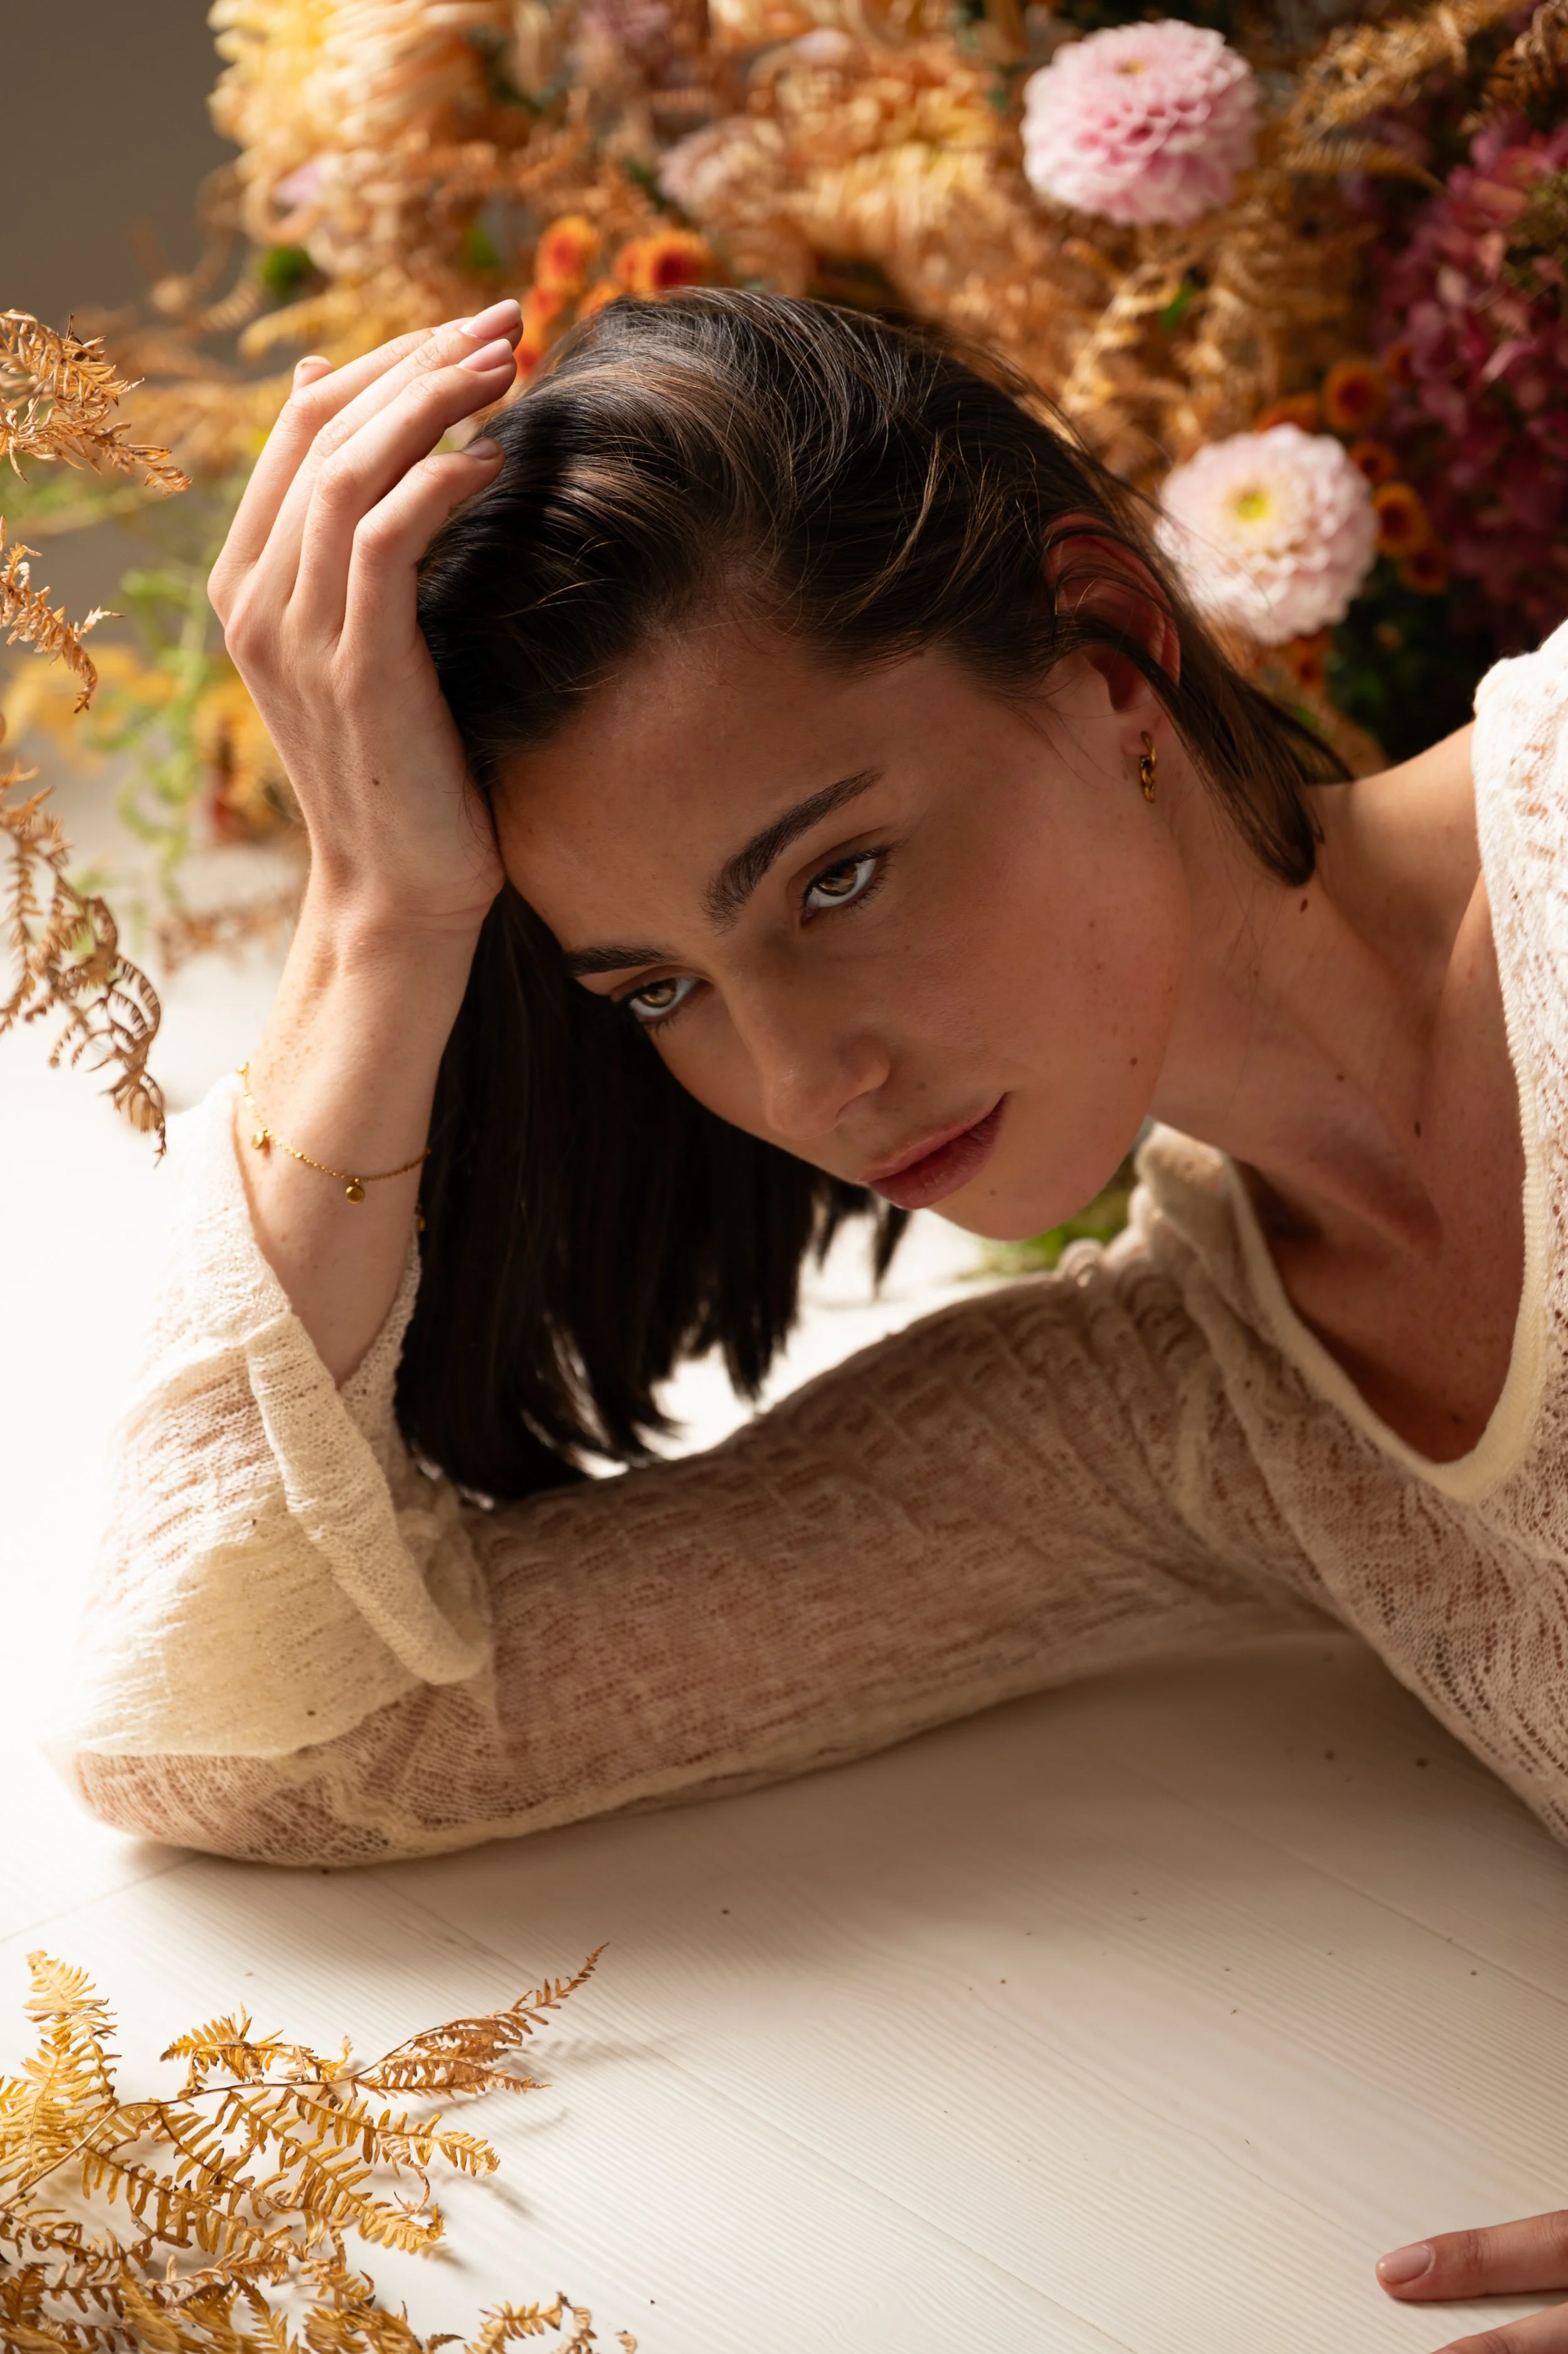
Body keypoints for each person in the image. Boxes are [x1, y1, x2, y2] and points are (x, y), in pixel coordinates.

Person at [61, 290, 1568, 2341]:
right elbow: (268, 1733)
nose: (796, 1088)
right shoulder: (1204, 1408)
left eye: (836, 877)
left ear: (1111, 652)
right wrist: (375, 922)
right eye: (657, 988)